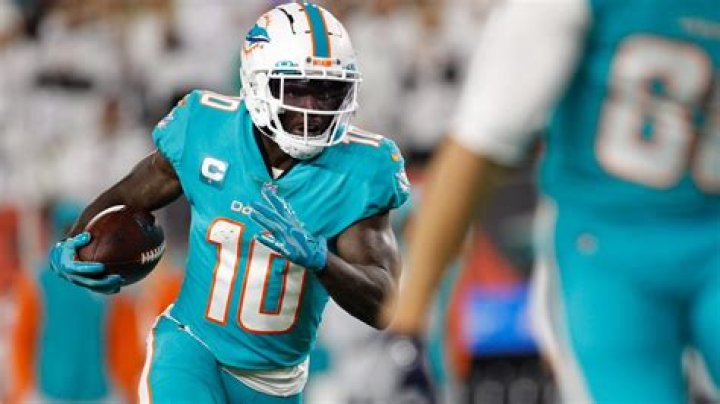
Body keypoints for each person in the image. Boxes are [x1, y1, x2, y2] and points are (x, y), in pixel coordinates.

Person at [48, 2, 409, 403]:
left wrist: (321, 260)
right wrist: (74, 242)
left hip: (279, 381)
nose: (313, 109)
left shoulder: (361, 170)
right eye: (296, 89)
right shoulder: (207, 129)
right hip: (192, 348)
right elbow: (127, 195)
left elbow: (384, 305)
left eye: (328, 90)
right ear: (256, 83)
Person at [388, 0, 720, 403]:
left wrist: (409, 319)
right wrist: (409, 316)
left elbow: (476, 150)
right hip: (606, 253)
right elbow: (481, 142)